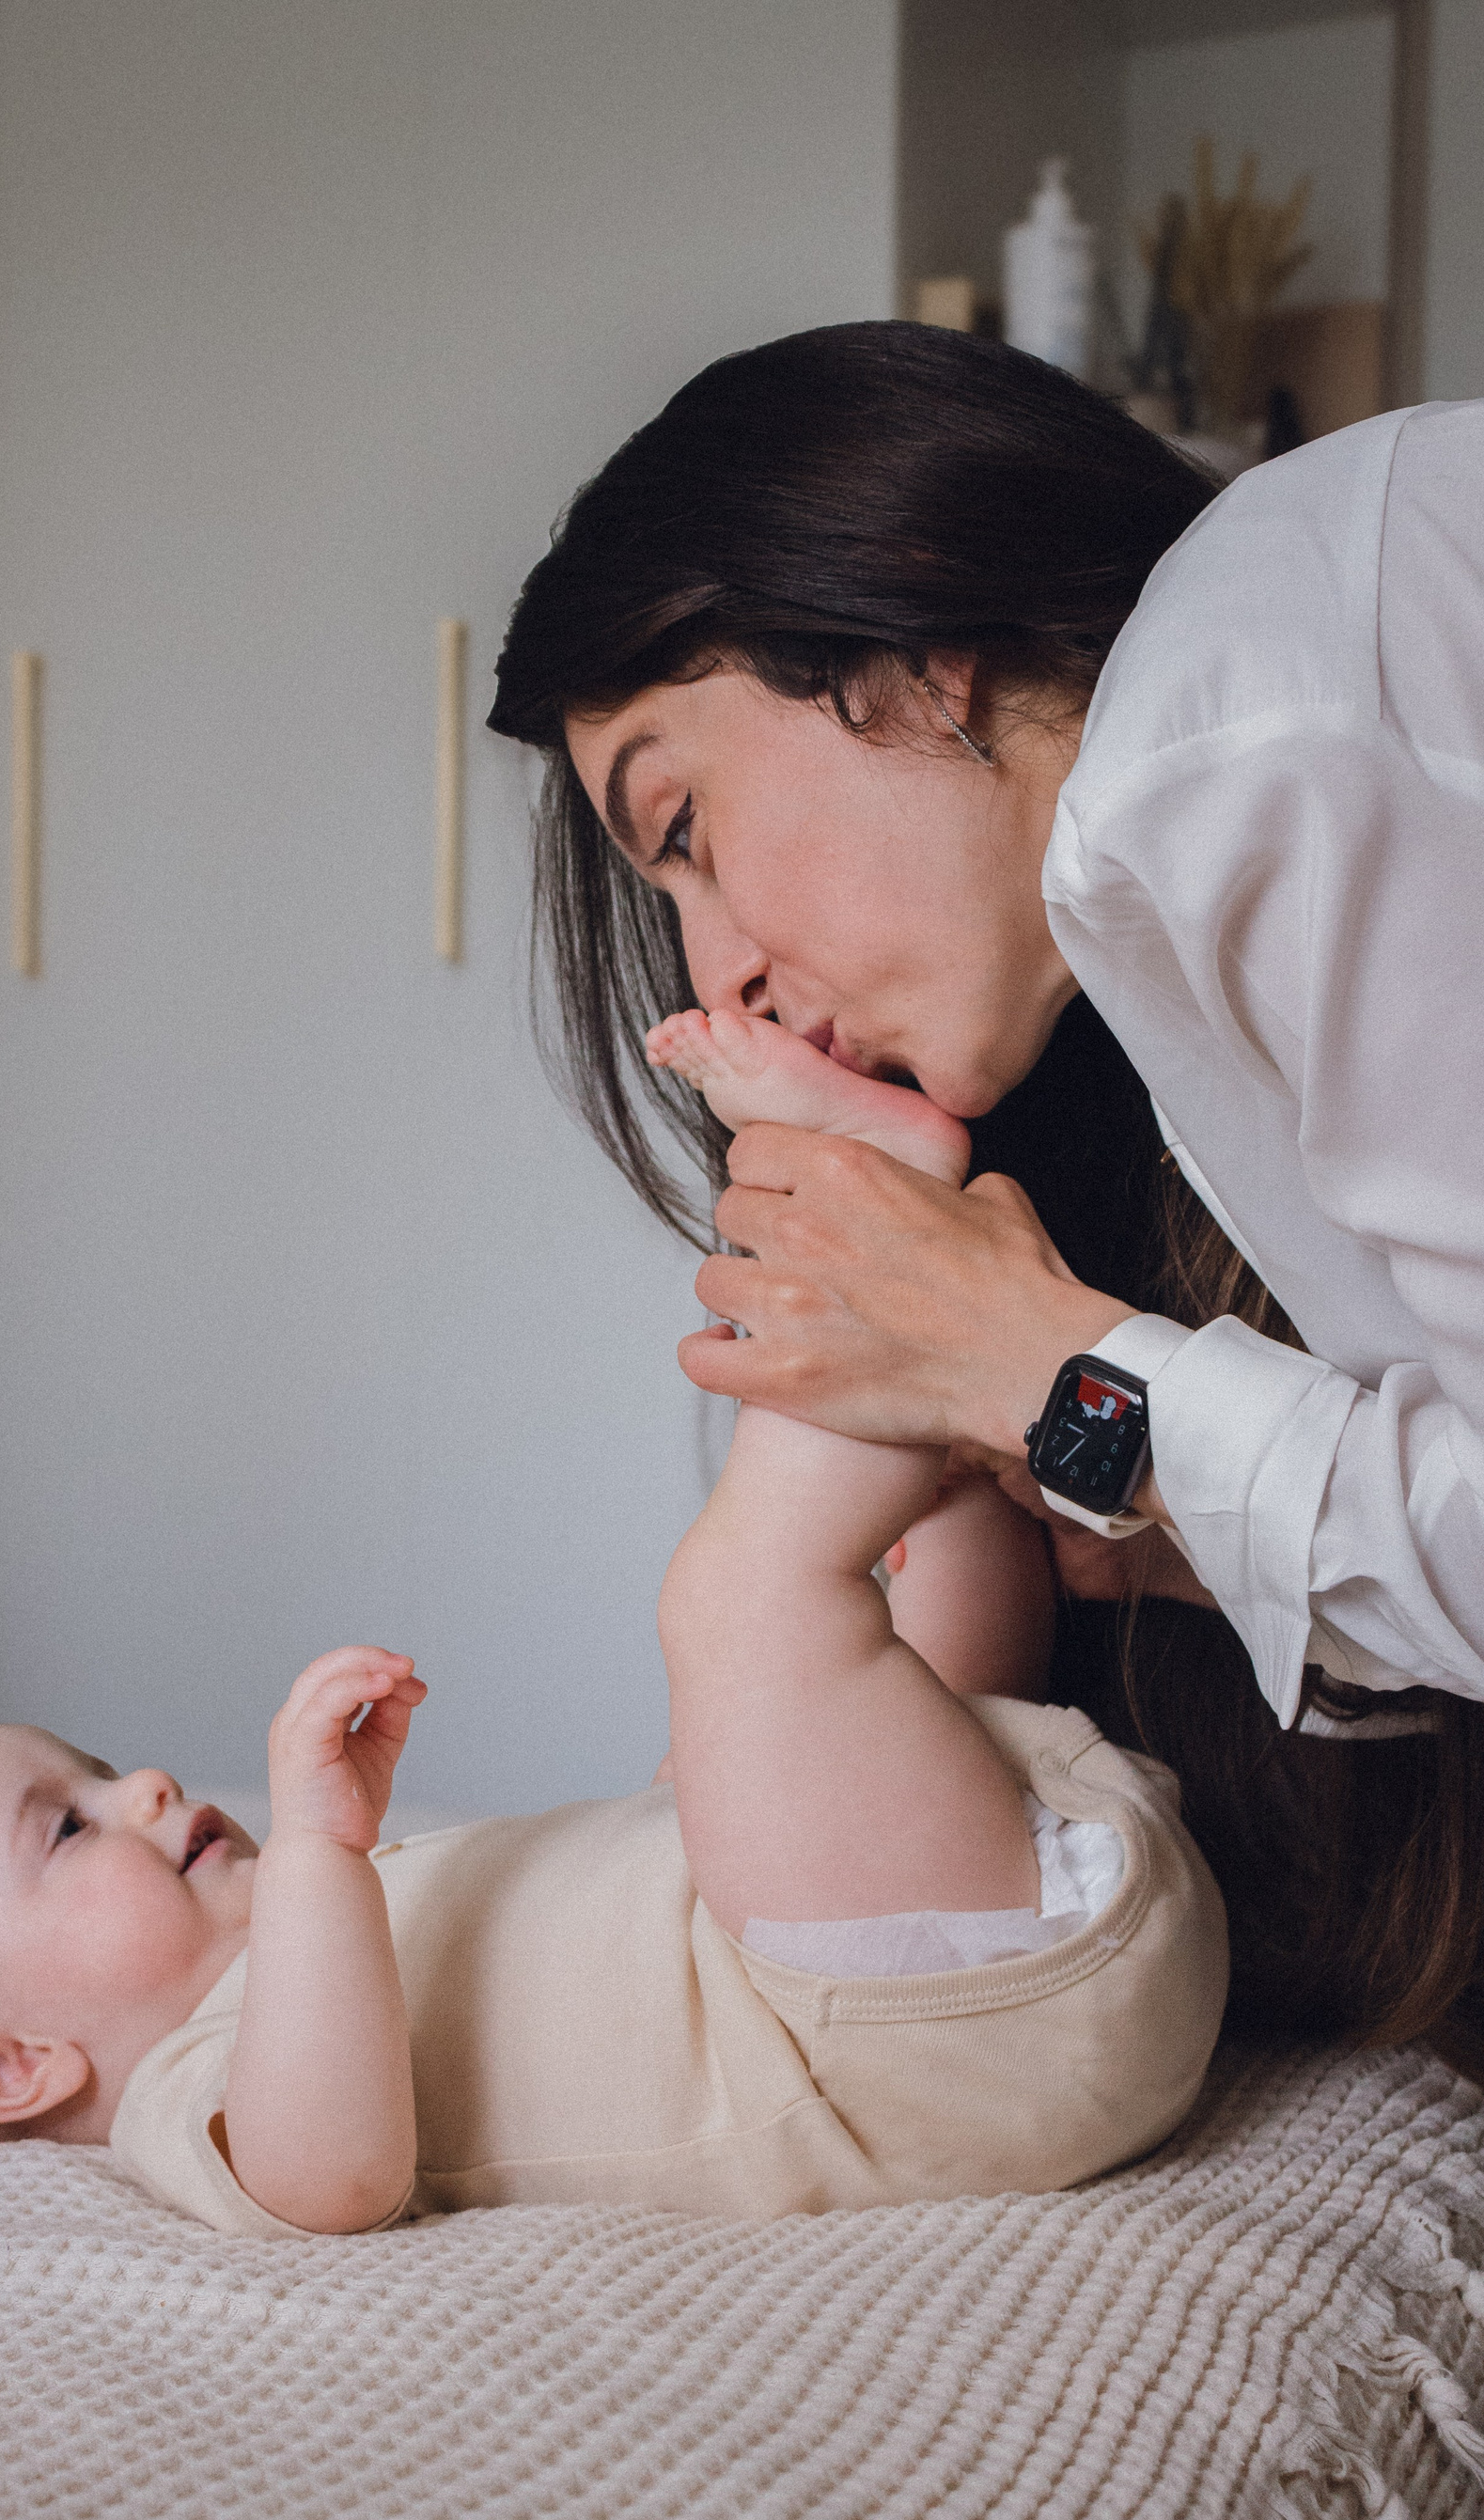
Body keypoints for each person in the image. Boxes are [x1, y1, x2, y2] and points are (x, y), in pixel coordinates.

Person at [0, 1028, 1225, 2227]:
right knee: (739, 1607)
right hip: (927, 2040)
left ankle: (943, 1430)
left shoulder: (295, 1950)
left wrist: (697, 1783)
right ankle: (869, 1217)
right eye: (66, 1827)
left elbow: (644, 1893)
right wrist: (318, 1859)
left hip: (955, 1925)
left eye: (98, 1769)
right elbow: (335, 2175)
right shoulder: (192, 2092)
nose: (147, 1787)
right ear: (9, 2067)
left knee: (835, 1642)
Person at [486, 321, 1484, 2072]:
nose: (719, 983)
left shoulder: (1232, 730)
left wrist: (1054, 1372)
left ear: (908, 648)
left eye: (686, 826)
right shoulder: (1214, 783)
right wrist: (1158, 1506)